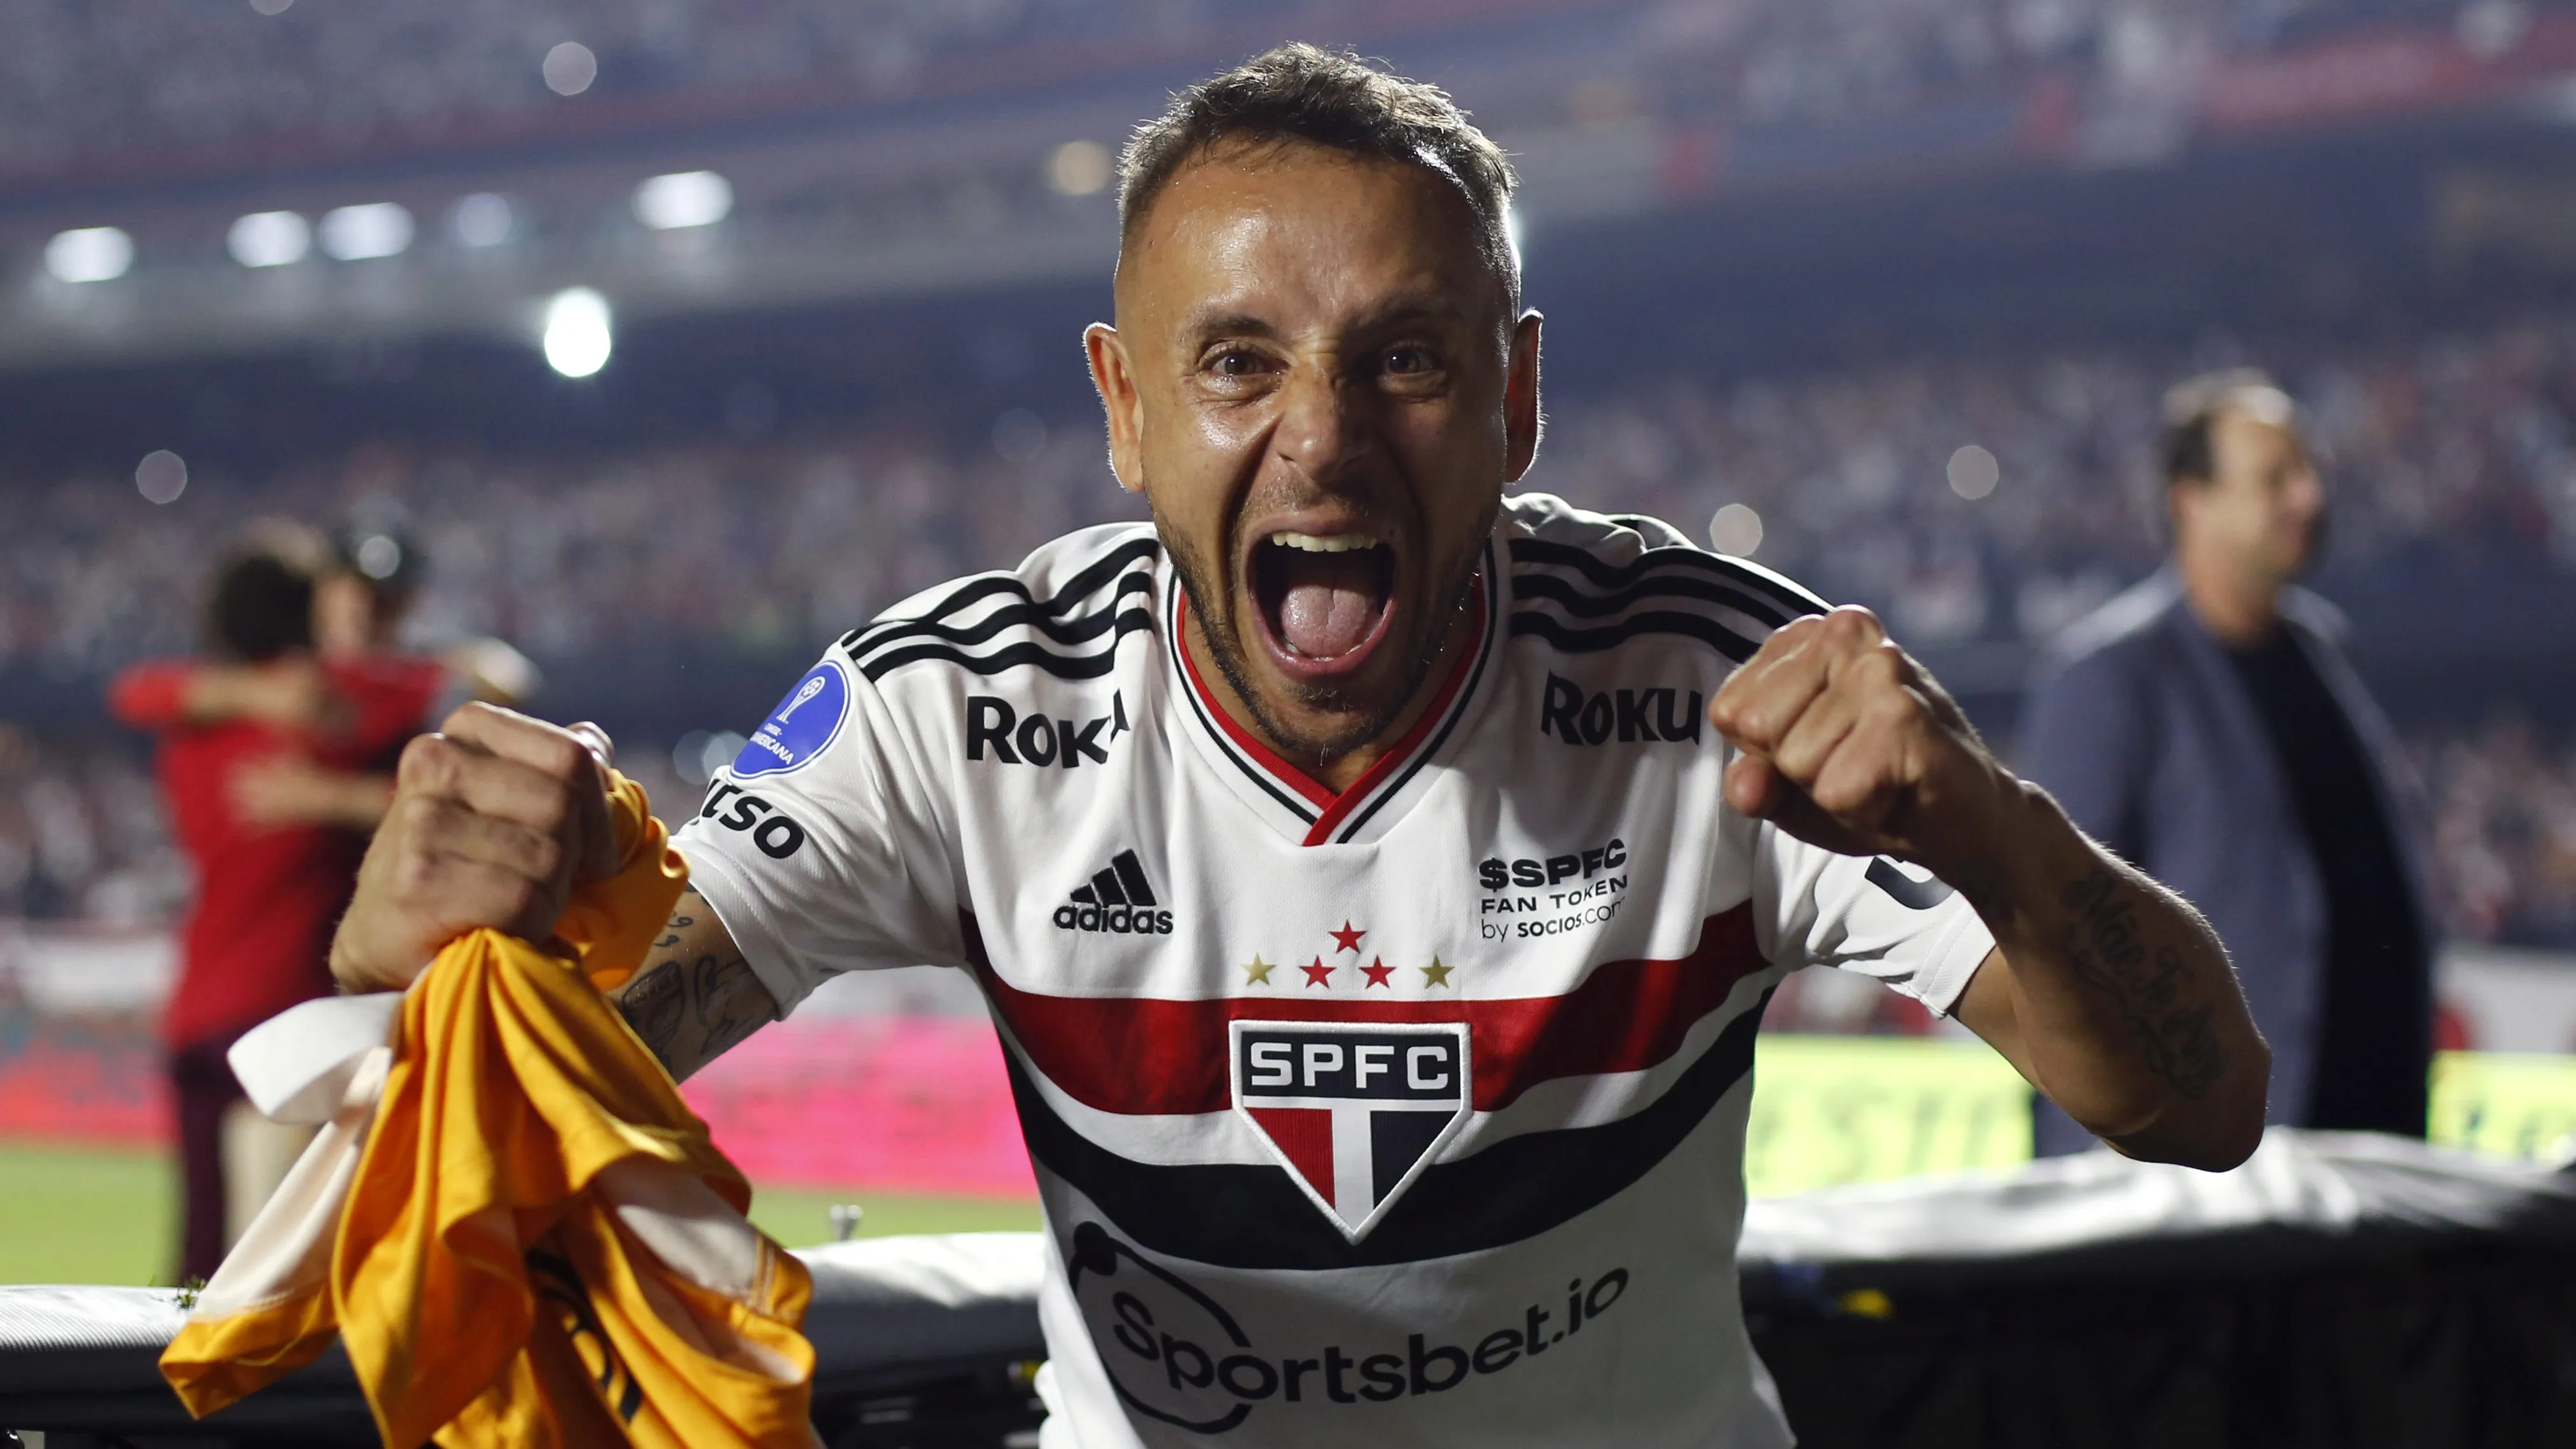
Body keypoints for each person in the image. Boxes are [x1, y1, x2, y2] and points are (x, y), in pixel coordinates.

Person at [328, 47, 2268, 1448]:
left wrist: (1994, 828)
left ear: (1514, 399)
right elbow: (540, 1070)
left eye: (1406, 357)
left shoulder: (1717, 683)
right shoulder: (961, 704)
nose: (1324, 437)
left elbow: (2203, 1106)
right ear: (1126, 408)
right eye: (1238, 359)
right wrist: (419, 966)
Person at [2019, 371, 2437, 1157]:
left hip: (2362, 1141)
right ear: (2190, 500)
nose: (2307, 497)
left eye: (2308, 473)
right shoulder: (2110, 677)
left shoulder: (2322, 648)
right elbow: (2054, 948)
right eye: (2275, 478)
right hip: (2201, 1168)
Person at [109, 531, 443, 1281]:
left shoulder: (191, 733)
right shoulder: (335, 715)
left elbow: (132, 690)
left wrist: (234, 690)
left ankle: (164, 1392)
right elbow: (441, 711)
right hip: (295, 1015)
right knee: (287, 1266)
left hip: (198, 1010)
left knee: (198, 1257)